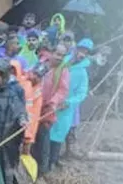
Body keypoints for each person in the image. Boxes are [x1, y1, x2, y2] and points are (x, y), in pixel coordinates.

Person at [47, 39, 91, 171]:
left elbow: (82, 93)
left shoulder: (82, 73)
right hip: (50, 102)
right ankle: (44, 160)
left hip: (65, 108)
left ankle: (53, 161)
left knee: (58, 134)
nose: (81, 54)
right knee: (45, 132)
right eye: (80, 50)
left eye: (85, 52)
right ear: (76, 49)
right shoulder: (63, 62)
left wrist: (69, 102)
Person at [36, 45, 70, 174]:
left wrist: (53, 102)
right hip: (34, 108)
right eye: (57, 54)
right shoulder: (41, 64)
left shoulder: (63, 71)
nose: (59, 57)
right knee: (32, 142)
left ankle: (43, 172)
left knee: (44, 142)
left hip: (47, 110)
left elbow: (63, 90)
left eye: (62, 55)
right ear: (51, 53)